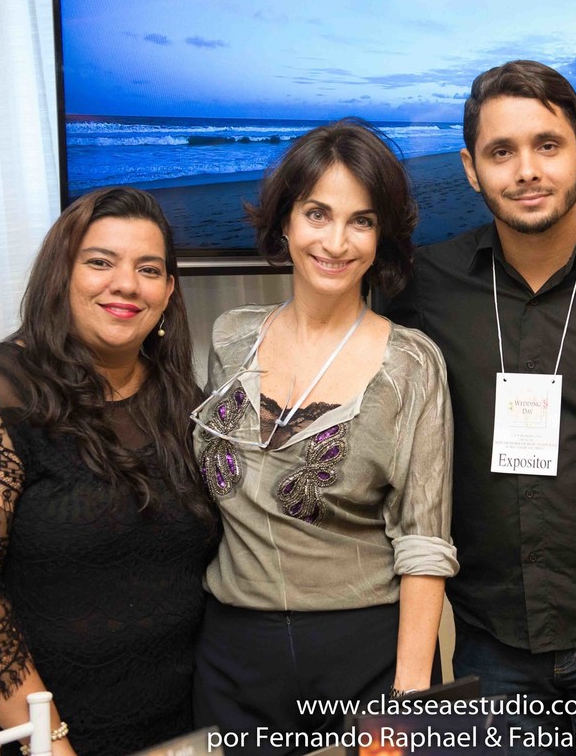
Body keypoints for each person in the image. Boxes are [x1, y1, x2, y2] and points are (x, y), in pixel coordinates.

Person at [380, 61, 576, 755]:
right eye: (502, 151)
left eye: (547, 145)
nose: (526, 169)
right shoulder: (424, 289)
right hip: (490, 641)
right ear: (471, 168)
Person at [0, 187, 218, 756]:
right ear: (60, 276)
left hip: (163, 730)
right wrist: (48, 740)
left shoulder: (183, 401)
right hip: (17, 738)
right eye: (100, 262)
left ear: (168, 292)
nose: (126, 284)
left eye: (149, 269)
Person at [191, 118, 456, 755]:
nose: (336, 241)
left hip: (361, 656)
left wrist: (409, 703)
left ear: (381, 237)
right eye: (317, 213)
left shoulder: (411, 363)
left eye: (361, 221)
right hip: (232, 651)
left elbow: (425, 539)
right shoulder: (231, 338)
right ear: (285, 221)